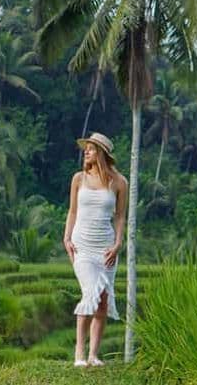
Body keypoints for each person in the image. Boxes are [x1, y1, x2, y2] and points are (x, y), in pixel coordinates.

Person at [63, 132, 128, 367]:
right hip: (82, 245)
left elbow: (120, 217)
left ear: (101, 153)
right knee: (90, 293)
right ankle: (79, 353)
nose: (86, 152)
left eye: (90, 148)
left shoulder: (119, 182)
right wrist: (66, 237)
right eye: (86, 148)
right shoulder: (78, 178)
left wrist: (118, 243)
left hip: (106, 248)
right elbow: (72, 211)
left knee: (102, 300)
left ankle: (93, 355)